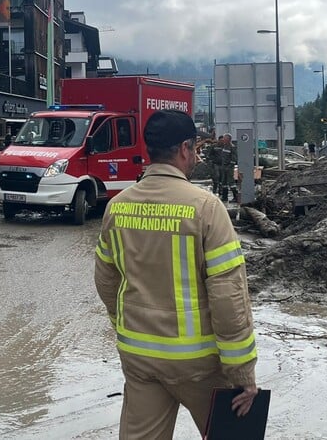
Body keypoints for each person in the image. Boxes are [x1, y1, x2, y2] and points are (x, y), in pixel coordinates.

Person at [94, 110, 258, 438]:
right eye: (195, 148)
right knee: (234, 435)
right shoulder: (206, 208)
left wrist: (121, 324)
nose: (196, 155)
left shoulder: (118, 206)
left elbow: (106, 279)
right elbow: (229, 298)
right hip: (199, 364)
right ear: (185, 148)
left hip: (139, 357)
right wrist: (242, 373)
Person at [218, 133, 238, 202]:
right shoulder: (224, 146)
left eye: (224, 138)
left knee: (231, 182)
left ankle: (236, 197)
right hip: (224, 167)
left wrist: (229, 166)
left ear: (228, 139)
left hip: (229, 168)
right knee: (224, 182)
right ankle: (224, 197)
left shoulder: (232, 147)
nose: (223, 140)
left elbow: (234, 159)